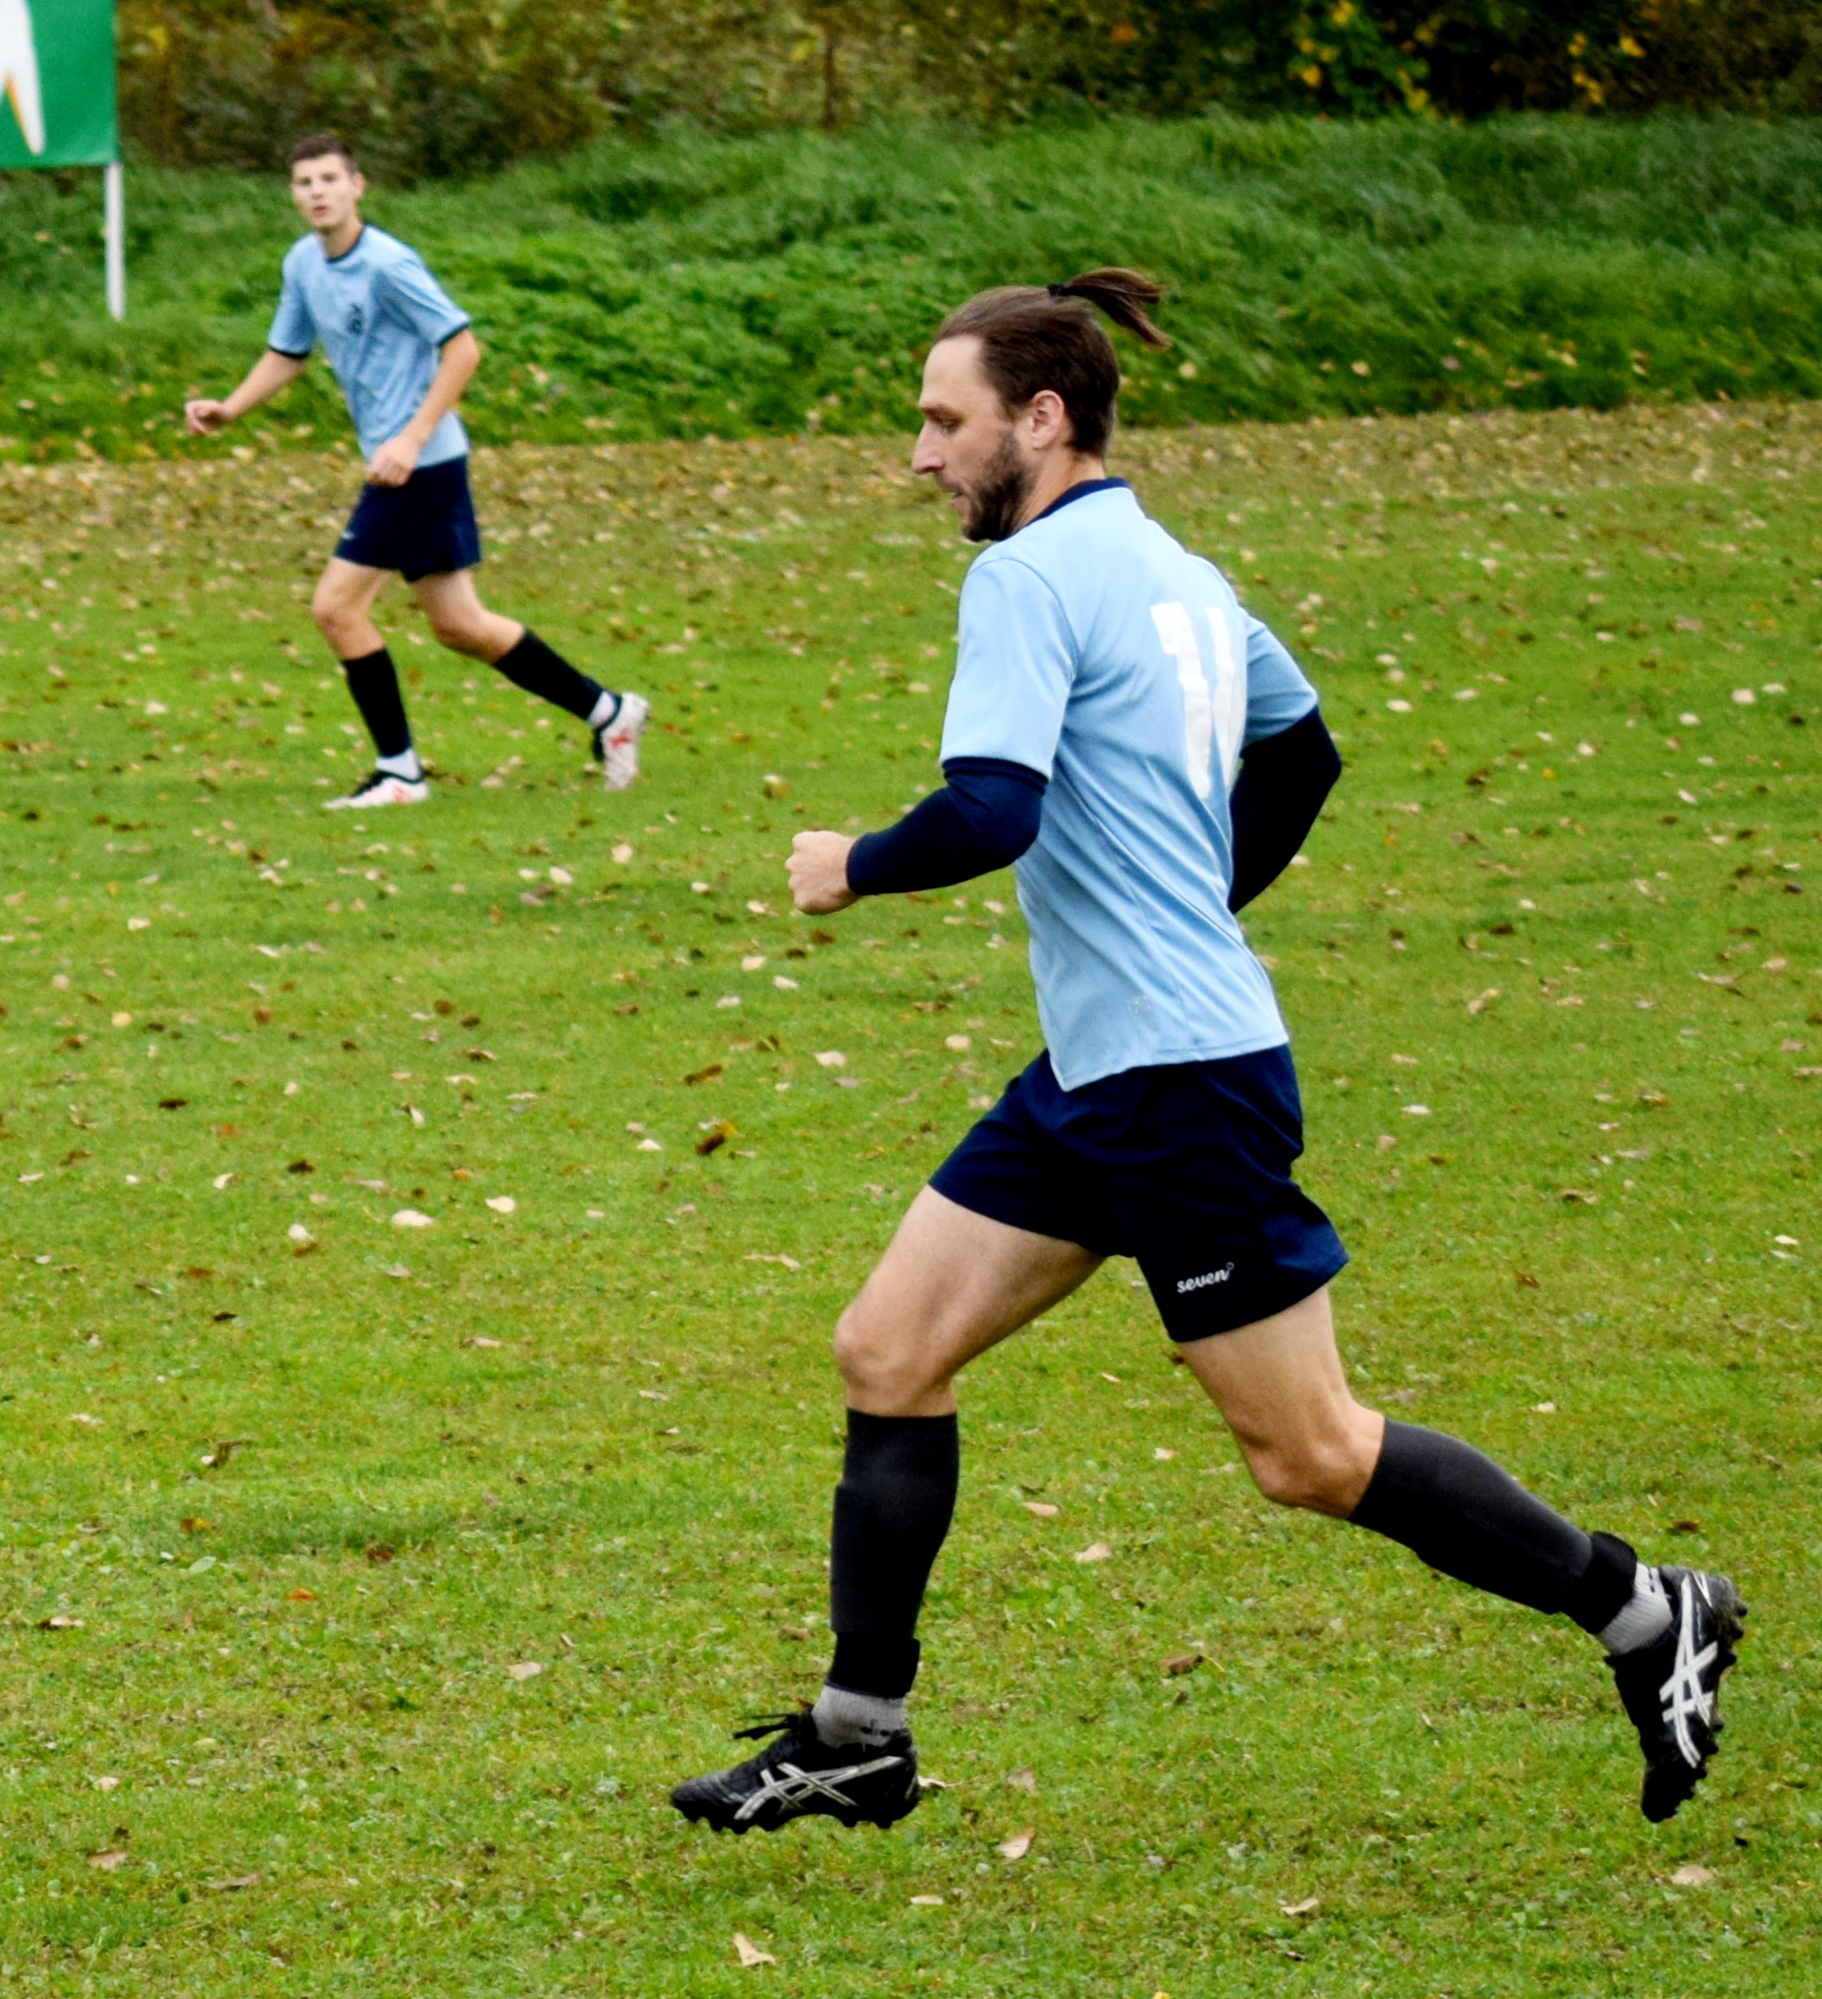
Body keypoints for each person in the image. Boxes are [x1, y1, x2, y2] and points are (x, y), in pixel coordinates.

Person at [669, 272, 1740, 1837]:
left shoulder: (1028, 580)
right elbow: (1302, 749)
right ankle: (858, 1731)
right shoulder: (1178, 572)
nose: (920, 458)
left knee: (1308, 1452)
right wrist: (1197, 898)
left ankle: (1648, 1607)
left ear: (1040, 419)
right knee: (887, 1350)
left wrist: (855, 864)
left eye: (942, 421)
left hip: (1177, 1086)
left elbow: (990, 808)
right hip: (1107, 1070)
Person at [182, 134, 648, 810]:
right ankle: (609, 713)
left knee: (336, 609)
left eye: (328, 179)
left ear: (357, 186)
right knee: (461, 624)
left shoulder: (388, 265)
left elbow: (462, 350)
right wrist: (230, 408)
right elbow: (288, 352)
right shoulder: (303, 264)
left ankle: (399, 773)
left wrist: (411, 436)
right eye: (303, 181)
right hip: (413, 463)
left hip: (418, 466)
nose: (315, 191)